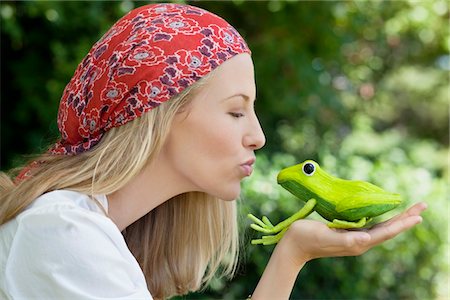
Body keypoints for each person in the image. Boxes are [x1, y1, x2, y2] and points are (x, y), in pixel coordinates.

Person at [0, 3, 427, 300]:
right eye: (236, 111)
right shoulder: (63, 232)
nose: (258, 136)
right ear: (160, 112)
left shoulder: (83, 229)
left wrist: (293, 253)